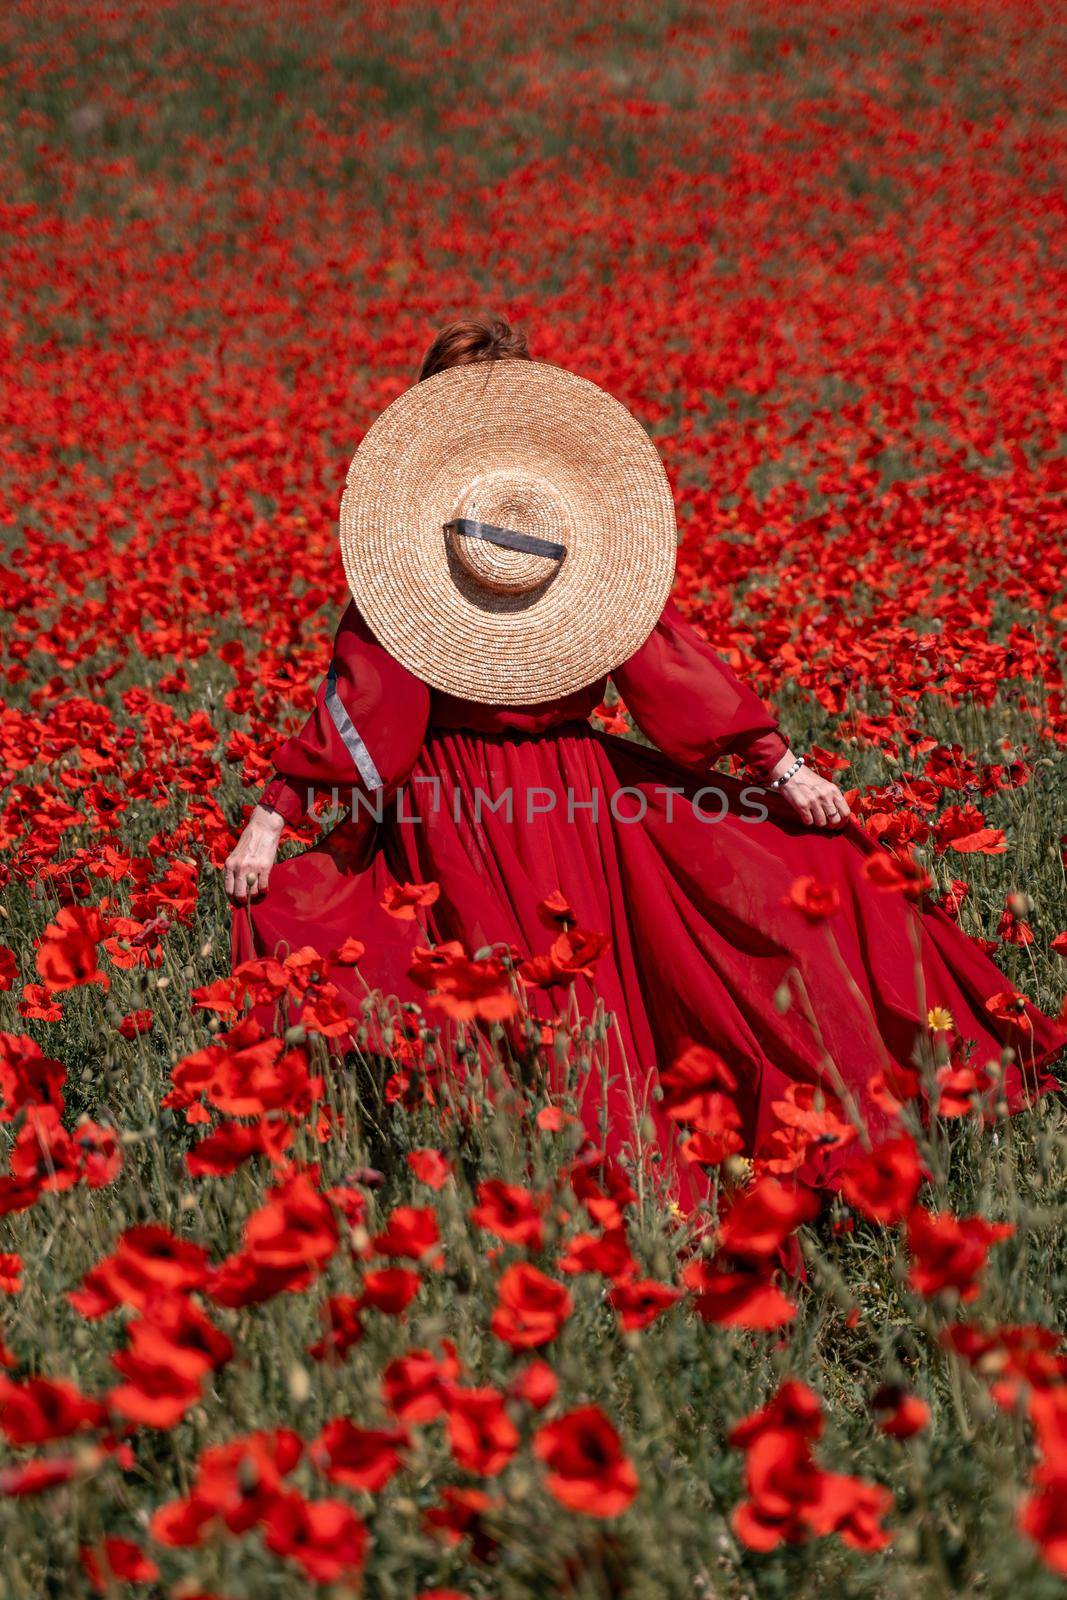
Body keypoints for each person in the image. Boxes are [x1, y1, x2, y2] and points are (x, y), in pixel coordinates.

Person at [228, 315, 1063, 1205]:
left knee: (533, 1002)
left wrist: (271, 818)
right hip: (573, 794)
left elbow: (364, 708)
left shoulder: (408, 565)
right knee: (606, 985)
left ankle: (563, 1185)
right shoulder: (577, 549)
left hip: (461, 809)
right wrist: (778, 768)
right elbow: (671, 672)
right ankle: (606, 1180)